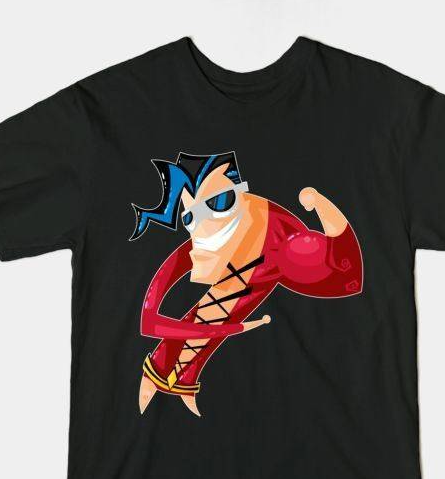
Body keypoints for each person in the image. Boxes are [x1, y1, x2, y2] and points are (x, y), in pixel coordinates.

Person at [131, 152, 364, 416]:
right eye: (189, 218)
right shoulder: (209, 240)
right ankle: (179, 378)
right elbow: (161, 298)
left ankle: (179, 377)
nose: (200, 224)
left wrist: (320, 203)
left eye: (220, 202)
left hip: (299, 400)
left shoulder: (285, 245)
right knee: (228, 294)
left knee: (235, 291)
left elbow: (346, 269)